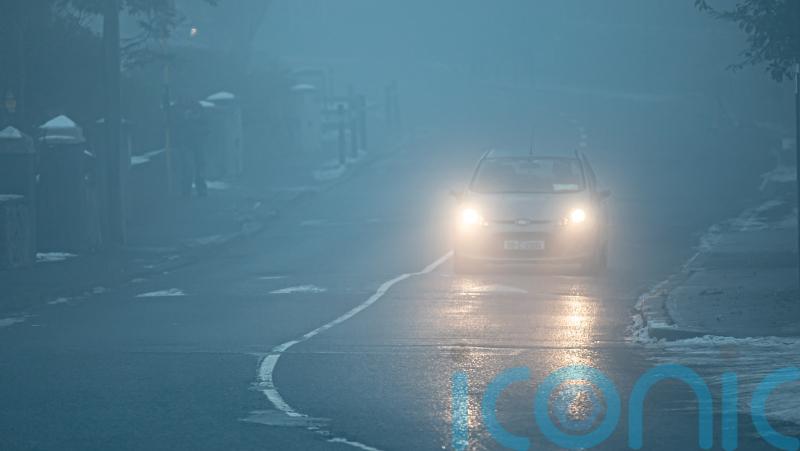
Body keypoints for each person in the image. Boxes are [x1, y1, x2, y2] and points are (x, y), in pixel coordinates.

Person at [173, 99, 208, 197]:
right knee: (187, 168)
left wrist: (196, 119)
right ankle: (186, 190)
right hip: (186, 143)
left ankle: (200, 190)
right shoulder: (178, 107)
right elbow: (175, 124)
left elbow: (206, 125)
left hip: (197, 142)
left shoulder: (197, 106)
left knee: (199, 166)